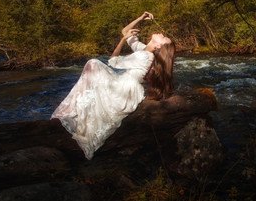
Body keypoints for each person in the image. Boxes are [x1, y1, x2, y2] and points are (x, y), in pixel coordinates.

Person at [51, 12, 176, 159]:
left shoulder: (144, 56)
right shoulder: (145, 51)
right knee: (94, 68)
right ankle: (75, 109)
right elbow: (125, 31)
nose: (161, 33)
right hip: (127, 85)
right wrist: (140, 18)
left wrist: (123, 40)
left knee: (93, 64)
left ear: (158, 45)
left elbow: (113, 62)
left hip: (123, 89)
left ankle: (71, 110)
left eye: (162, 37)